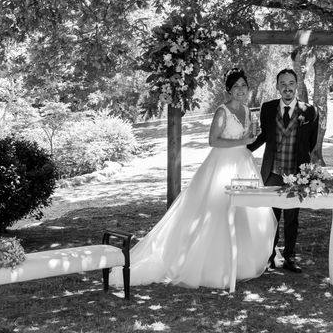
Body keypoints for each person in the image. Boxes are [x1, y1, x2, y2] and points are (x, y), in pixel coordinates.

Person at [111, 68, 276, 288]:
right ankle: (213, 265)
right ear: (228, 89)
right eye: (235, 86)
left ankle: (243, 263)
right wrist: (242, 140)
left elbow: (250, 137)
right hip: (222, 166)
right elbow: (213, 141)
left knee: (246, 212)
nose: (240, 90)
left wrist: (249, 138)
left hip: (243, 165)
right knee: (218, 210)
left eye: (243, 86)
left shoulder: (247, 110)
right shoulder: (222, 111)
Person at [248, 68, 319, 273]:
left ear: (296, 85)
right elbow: (264, 135)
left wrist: (304, 169)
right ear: (277, 86)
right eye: (283, 83)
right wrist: (246, 149)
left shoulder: (310, 111)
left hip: (297, 175)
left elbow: (311, 142)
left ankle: (289, 257)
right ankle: (269, 257)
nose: (287, 87)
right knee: (271, 217)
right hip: (272, 172)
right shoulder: (268, 108)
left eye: (291, 83)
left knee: (292, 218)